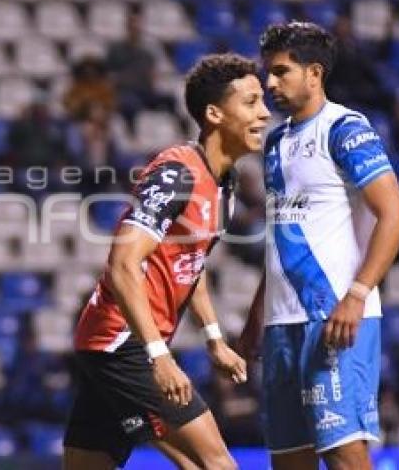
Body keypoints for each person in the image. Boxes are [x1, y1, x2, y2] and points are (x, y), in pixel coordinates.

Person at [63, 53, 270, 469]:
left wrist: (213, 337)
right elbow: (122, 264)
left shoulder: (225, 184)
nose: (265, 113)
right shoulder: (177, 173)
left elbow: (191, 264)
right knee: (215, 464)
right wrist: (159, 356)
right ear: (213, 113)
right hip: (123, 344)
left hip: (109, 345)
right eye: (250, 102)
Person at [239, 21, 399, 470]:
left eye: (280, 72)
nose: (269, 83)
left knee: (343, 452)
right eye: (267, 73)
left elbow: (395, 216)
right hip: (282, 323)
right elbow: (285, 234)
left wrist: (356, 295)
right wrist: (259, 312)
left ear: (314, 73)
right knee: (289, 459)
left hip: (333, 315)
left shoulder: (345, 128)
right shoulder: (275, 142)